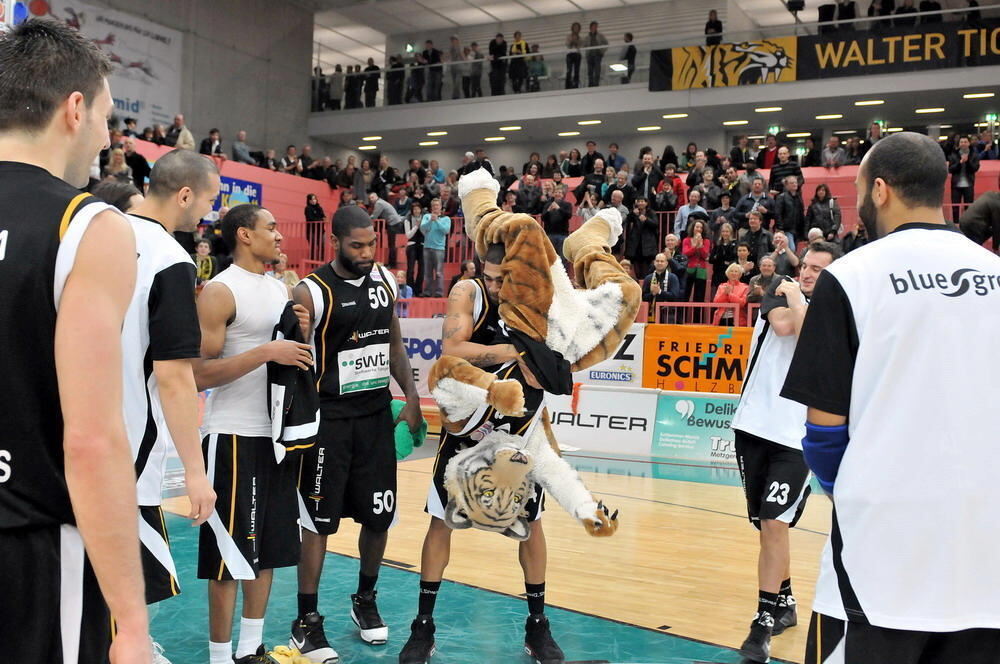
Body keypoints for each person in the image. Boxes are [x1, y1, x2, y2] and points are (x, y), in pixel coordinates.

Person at [781, 132, 1000, 664]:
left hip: (880, 557)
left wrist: (851, 491)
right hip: (986, 554)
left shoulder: (850, 278)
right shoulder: (996, 276)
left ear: (879, 190)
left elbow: (824, 433)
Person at [0, 18, 151, 664]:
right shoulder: (89, 226)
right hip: (33, 551)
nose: (107, 137)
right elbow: (91, 441)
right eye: (108, 117)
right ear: (75, 107)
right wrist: (132, 622)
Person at [398, 242, 564, 664]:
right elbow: (452, 351)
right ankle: (423, 626)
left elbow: (557, 367)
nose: (492, 285)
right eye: (487, 276)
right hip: (470, 427)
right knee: (441, 522)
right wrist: (517, 353)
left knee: (532, 522)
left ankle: (538, 625)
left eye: (500, 278)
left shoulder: (540, 302)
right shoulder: (467, 293)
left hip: (521, 429)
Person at [292, 205, 422, 661]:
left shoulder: (384, 281)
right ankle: (306, 619)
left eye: (372, 245)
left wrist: (411, 398)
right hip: (328, 422)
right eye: (357, 246)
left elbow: (393, 343)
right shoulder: (310, 293)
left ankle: (365, 600)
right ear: (335, 243)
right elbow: (291, 362)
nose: (366, 253)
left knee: (378, 516)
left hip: (374, 419)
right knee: (318, 523)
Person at [194, 204, 311, 664]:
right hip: (232, 437)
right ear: (244, 235)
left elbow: (290, 358)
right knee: (228, 559)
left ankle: (251, 650)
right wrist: (266, 351)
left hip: (276, 437)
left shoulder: (277, 287)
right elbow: (199, 375)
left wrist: (298, 330)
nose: (280, 237)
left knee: (268, 552)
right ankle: (219, 657)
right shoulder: (220, 292)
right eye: (271, 228)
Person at [122, 151, 222, 660]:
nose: (207, 211)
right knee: (129, 584)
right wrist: (196, 471)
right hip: (128, 451)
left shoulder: (93, 236)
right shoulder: (170, 259)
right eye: (208, 199)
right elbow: (177, 378)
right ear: (185, 195)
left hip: (68, 436)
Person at [729, 240, 842, 663]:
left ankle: (762, 623)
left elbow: (812, 336)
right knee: (766, 525)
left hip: (796, 436)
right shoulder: (779, 286)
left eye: (818, 270)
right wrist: (796, 294)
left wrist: (803, 300)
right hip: (753, 426)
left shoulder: (835, 308)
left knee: (775, 523)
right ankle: (787, 601)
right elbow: (784, 327)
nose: (809, 274)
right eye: (807, 266)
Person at [421, 198, 451, 298]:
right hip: (427, 247)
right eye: (433, 206)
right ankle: (427, 291)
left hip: (439, 248)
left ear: (440, 207)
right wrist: (430, 220)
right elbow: (423, 228)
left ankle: (439, 292)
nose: (435, 207)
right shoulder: (426, 216)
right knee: (427, 272)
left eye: (437, 205)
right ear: (431, 207)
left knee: (439, 272)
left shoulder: (446, 219)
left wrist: (437, 221)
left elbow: (446, 230)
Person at [642, 252, 681, 322]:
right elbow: (643, 297)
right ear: (654, 263)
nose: (659, 263)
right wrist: (652, 294)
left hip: (668, 314)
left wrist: (660, 292)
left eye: (662, 261)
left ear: (666, 263)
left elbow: (675, 296)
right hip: (651, 314)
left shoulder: (673, 277)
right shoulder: (648, 278)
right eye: (657, 261)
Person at [948, 135, 979, 222]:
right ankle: (955, 224)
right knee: (955, 207)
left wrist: (968, 161)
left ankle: (968, 224)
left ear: (969, 143)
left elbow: (975, 168)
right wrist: (960, 163)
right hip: (956, 185)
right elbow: (950, 169)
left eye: (965, 142)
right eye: (961, 142)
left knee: (969, 208)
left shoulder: (974, 154)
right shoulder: (953, 154)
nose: (963, 144)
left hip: (969, 184)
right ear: (959, 144)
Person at [404, 201, 425, 295]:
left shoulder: (425, 218)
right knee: (411, 269)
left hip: (422, 244)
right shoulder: (407, 219)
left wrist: (422, 226)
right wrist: (416, 226)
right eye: (414, 209)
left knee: (422, 269)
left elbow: (426, 233)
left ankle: (418, 290)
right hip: (411, 244)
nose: (416, 211)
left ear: (421, 209)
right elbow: (408, 235)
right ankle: (410, 289)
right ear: (412, 211)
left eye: (418, 209)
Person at [709, 222, 738, 290]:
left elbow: (734, 259)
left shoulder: (735, 244)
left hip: (729, 275)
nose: (725, 233)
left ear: (730, 233)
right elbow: (711, 260)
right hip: (717, 274)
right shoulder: (717, 244)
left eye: (727, 231)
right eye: (723, 231)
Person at [584, 21, 608, 87]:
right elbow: (584, 45)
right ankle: (590, 84)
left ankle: (596, 84)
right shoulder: (587, 37)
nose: (595, 27)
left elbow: (606, 43)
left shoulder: (600, 35)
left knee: (597, 70)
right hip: (590, 55)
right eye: (594, 26)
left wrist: (602, 51)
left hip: (597, 55)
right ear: (590, 27)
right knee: (590, 71)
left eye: (596, 26)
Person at [305, 193, 326, 263]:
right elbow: (310, 218)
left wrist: (320, 219)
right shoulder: (307, 208)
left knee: (322, 246)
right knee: (313, 247)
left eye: (315, 199)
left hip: (321, 230)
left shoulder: (319, 207)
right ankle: (312, 262)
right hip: (312, 231)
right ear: (309, 200)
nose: (313, 201)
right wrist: (320, 219)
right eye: (311, 199)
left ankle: (321, 261)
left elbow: (323, 216)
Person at [565, 22, 582, 89]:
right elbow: (567, 45)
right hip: (569, 54)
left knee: (576, 70)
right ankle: (568, 86)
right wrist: (572, 41)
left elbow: (580, 46)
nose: (576, 29)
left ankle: (576, 85)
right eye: (575, 27)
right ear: (572, 28)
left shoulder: (580, 38)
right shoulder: (568, 36)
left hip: (577, 55)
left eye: (577, 27)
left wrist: (577, 42)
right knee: (569, 70)